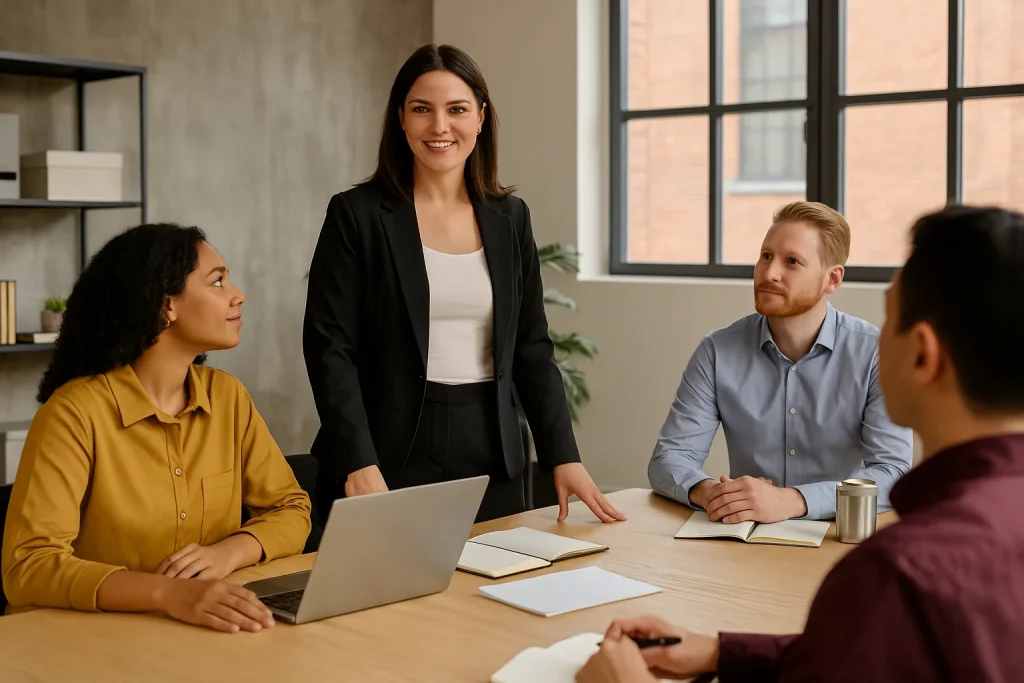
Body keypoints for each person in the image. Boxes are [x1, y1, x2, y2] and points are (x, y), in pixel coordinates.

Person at [577, 204, 1024, 682]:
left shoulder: (894, 573)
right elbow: (851, 657)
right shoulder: (976, 534)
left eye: (891, 321)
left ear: (922, 353)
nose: (770, 272)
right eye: (765, 256)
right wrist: (721, 654)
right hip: (736, 571)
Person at [303, 44, 623, 525]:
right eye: (421, 110)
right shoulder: (357, 215)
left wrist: (563, 454)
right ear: (401, 119)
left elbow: (532, 346)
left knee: (491, 594)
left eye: (456, 109)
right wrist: (357, 460)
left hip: (490, 449)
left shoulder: (510, 218)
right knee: (385, 598)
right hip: (385, 451)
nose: (439, 127)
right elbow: (330, 348)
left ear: (480, 117)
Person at [1, 223, 311, 634]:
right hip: (79, 638)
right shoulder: (74, 414)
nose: (238, 294)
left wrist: (228, 554)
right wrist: (169, 594)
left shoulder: (228, 398)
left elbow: (290, 509)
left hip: (200, 629)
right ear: (167, 306)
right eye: (217, 282)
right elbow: (29, 566)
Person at [648, 201, 913, 522]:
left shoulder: (875, 353)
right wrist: (713, 494)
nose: (770, 273)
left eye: (792, 261)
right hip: (742, 539)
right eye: (766, 256)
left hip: (837, 536)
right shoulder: (717, 350)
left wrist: (793, 501)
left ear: (832, 279)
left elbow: (894, 473)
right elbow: (670, 457)